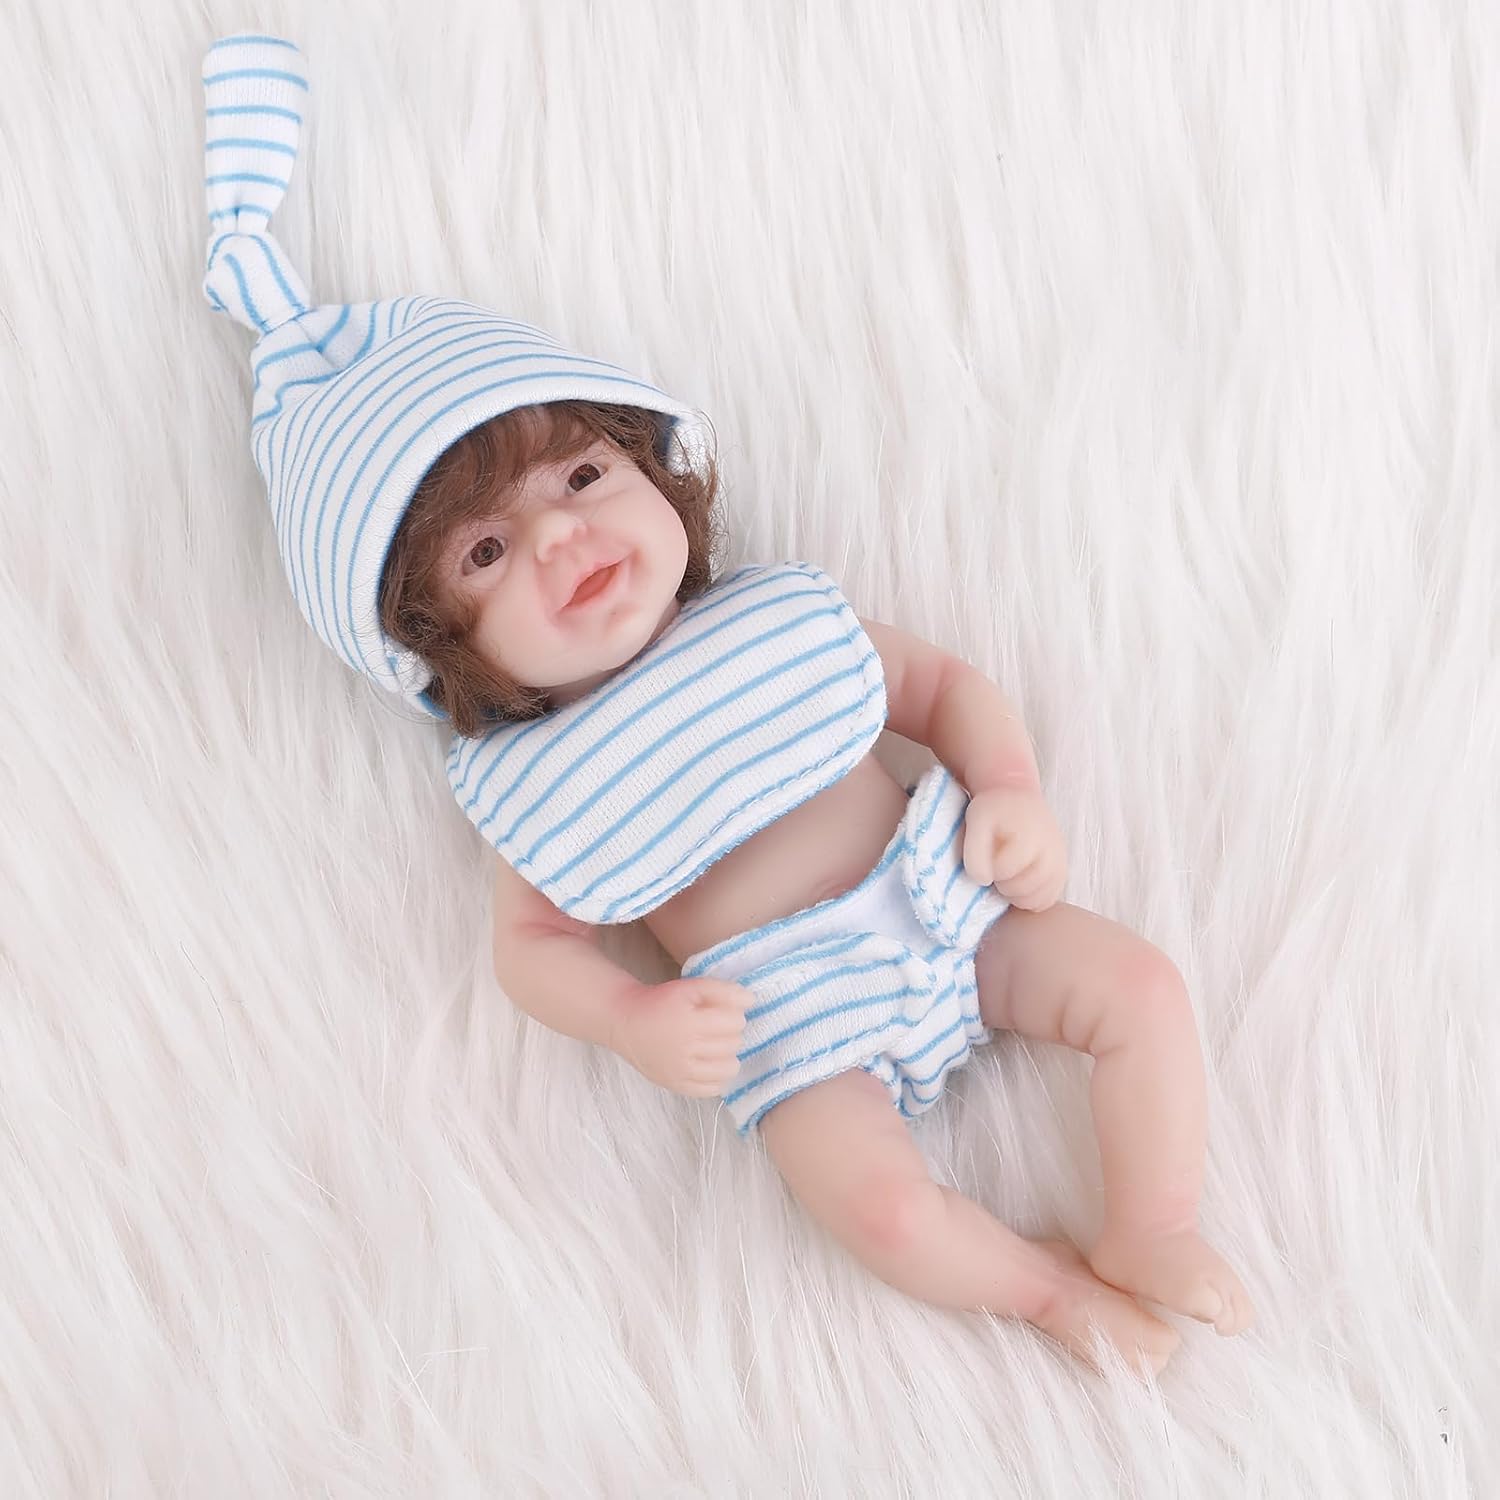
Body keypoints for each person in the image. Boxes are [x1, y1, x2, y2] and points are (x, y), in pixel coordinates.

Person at [202, 32, 1253, 1375]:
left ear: (655, 465)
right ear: (437, 652)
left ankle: (1154, 1225)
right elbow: (533, 949)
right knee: (878, 1211)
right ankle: (1049, 1294)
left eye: (582, 476)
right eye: (488, 551)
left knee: (1141, 989)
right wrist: (633, 1021)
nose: (563, 537)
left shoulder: (767, 618)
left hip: (948, 893)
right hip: (786, 1017)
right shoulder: (547, 775)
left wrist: (1010, 791)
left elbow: (936, 686)